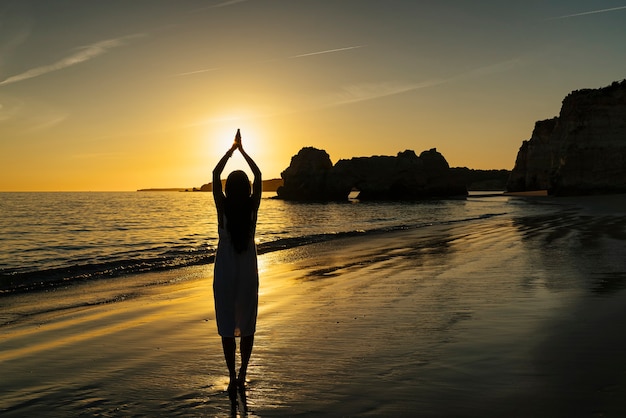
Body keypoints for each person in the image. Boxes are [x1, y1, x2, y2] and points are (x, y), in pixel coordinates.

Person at [212, 129, 262, 392]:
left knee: (227, 326)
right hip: (247, 273)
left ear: (227, 188)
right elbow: (259, 176)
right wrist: (243, 152)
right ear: (248, 189)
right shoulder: (252, 208)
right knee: (248, 323)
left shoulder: (223, 209)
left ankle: (231, 376)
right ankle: (243, 373)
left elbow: (213, 174)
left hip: (225, 272)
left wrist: (231, 152)